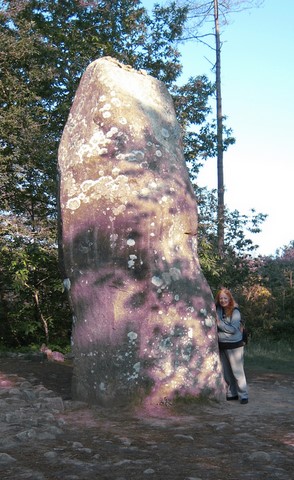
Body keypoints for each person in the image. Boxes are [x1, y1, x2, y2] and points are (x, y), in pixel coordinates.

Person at [215, 287, 249, 404]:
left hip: (235, 346)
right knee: (227, 372)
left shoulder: (235, 312)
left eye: (225, 298)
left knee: (237, 371)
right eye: (221, 298)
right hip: (223, 345)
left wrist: (219, 324)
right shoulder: (218, 309)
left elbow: (233, 330)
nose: (223, 300)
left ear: (229, 299)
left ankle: (243, 395)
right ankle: (232, 393)